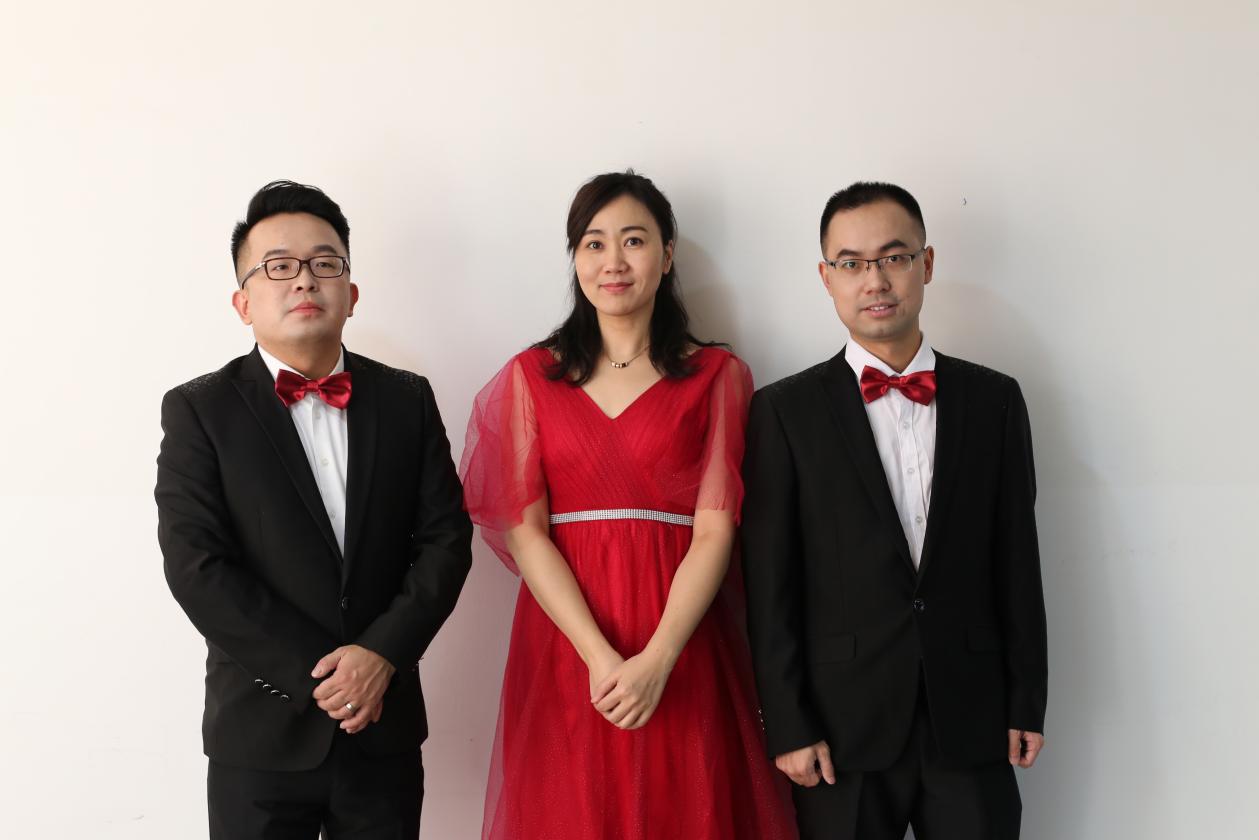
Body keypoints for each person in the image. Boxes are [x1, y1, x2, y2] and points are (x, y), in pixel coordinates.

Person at [461, 171, 796, 839]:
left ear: (666, 256)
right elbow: (525, 533)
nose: (612, 261)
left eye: (633, 241)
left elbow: (716, 531)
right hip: (567, 642)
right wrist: (600, 657)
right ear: (575, 258)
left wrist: (659, 658)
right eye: (593, 243)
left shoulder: (718, 376)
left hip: (681, 637)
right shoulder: (532, 376)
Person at [156, 180, 473, 839]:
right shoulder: (200, 410)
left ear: (351, 293)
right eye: (278, 266)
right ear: (243, 303)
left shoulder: (407, 400)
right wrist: (323, 676)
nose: (304, 278)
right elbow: (197, 567)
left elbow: (445, 540)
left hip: (382, 727)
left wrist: (380, 656)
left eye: (324, 262)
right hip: (259, 733)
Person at [741, 181, 1048, 840]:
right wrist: (788, 724)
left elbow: (1017, 560)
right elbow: (770, 586)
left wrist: (1026, 698)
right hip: (838, 730)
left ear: (926, 264)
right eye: (851, 263)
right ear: (826, 277)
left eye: (894, 257)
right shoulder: (783, 412)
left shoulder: (994, 401)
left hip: (971, 714)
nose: (874, 280)